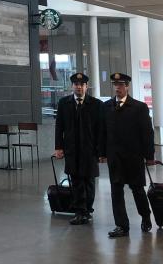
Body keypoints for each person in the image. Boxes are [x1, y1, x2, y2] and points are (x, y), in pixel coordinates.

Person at [99, 72, 155, 238]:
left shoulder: (139, 107)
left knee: (137, 190)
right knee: (116, 191)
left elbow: (147, 134)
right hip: (115, 158)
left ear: (127, 86)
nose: (118, 88)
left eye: (121, 85)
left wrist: (149, 156)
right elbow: (103, 132)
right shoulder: (106, 107)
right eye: (115, 85)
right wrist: (102, 153)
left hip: (133, 157)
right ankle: (122, 225)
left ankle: (145, 217)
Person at [54, 72, 103, 225]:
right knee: (76, 180)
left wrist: (101, 151)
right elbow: (59, 127)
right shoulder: (64, 103)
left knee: (89, 180)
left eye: (82, 85)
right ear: (72, 86)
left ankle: (87, 209)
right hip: (72, 150)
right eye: (76, 84)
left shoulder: (96, 104)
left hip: (90, 150)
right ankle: (80, 211)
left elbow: (100, 130)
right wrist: (58, 147)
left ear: (86, 87)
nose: (79, 87)